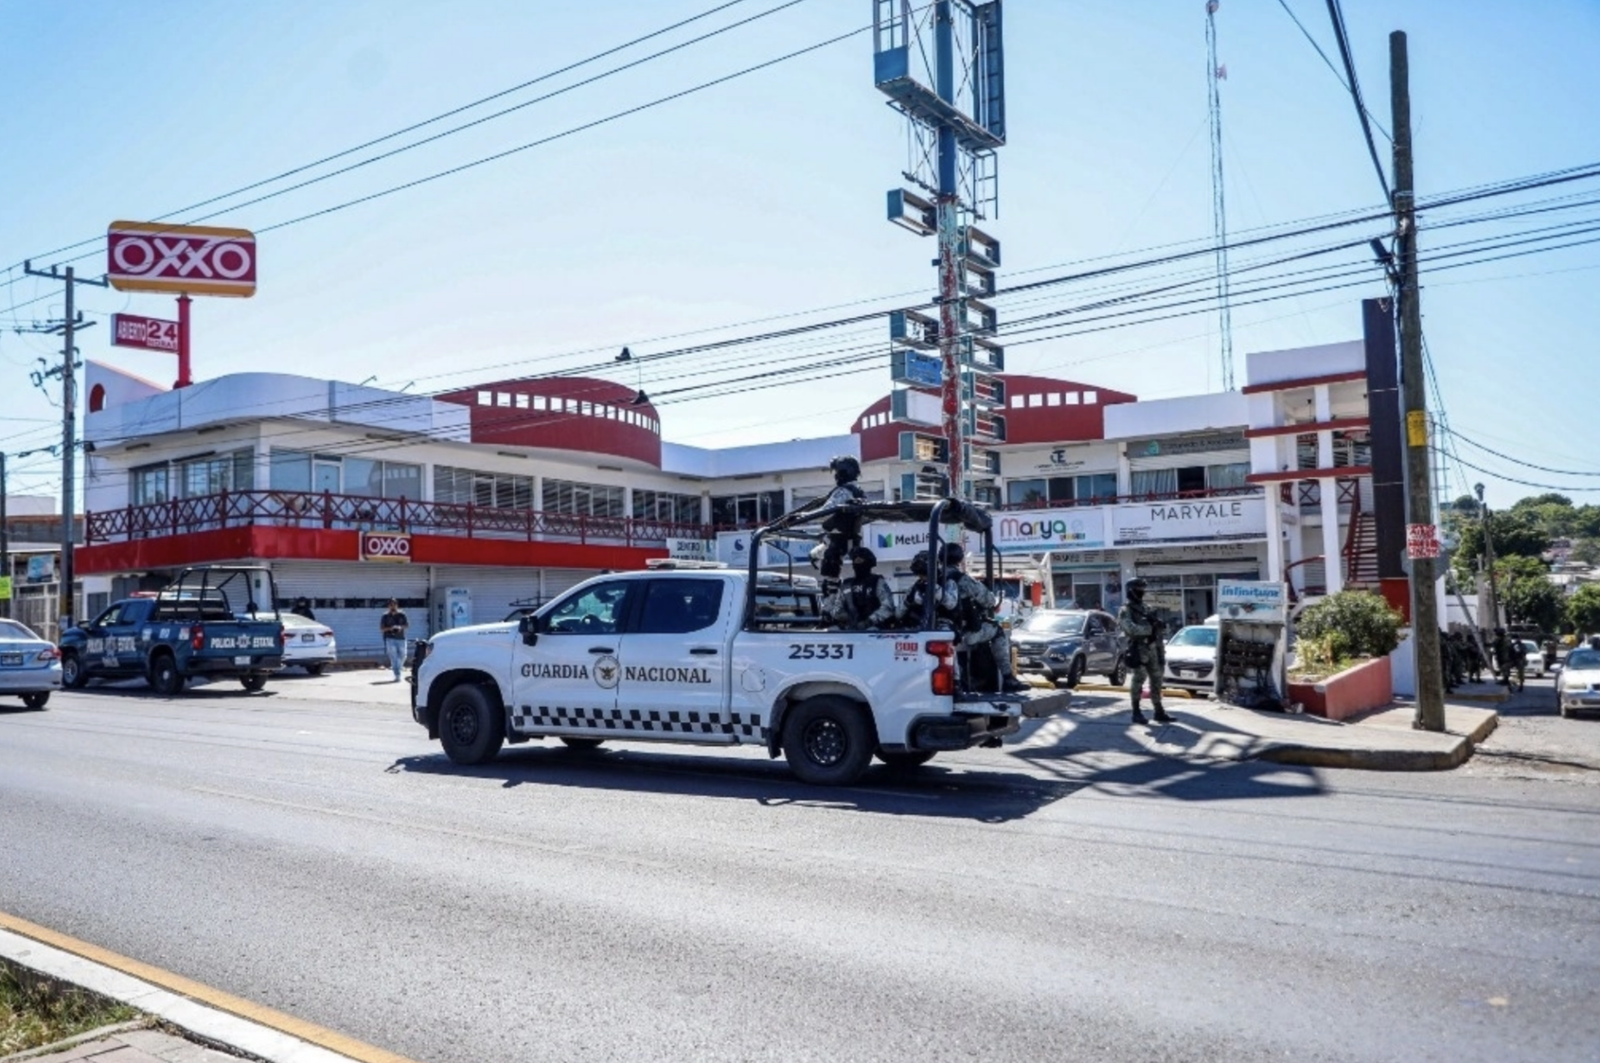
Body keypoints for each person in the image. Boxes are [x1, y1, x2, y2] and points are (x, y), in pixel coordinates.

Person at [943, 542, 1027, 695]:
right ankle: (1008, 678)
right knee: (998, 631)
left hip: (938, 630)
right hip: (963, 633)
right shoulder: (962, 579)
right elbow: (989, 601)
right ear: (960, 559)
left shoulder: (931, 579)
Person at [1117, 578, 1172, 725]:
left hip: (1152, 648)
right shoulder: (1125, 610)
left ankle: (1158, 711)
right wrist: (1150, 629)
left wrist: (1161, 650)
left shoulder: (1147, 608)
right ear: (1131, 591)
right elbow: (1130, 629)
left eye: (1142, 589)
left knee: (1157, 679)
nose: (1141, 592)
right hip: (1137, 649)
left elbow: (1158, 632)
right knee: (1138, 680)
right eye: (1138, 589)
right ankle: (1136, 712)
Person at [829, 546, 897, 630]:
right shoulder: (846, 584)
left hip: (874, 627)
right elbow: (837, 609)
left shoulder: (877, 582)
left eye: (860, 560)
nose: (857, 563)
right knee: (832, 630)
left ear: (868, 563)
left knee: (871, 631)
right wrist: (848, 617)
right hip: (851, 627)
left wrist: (869, 621)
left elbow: (888, 607)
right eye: (855, 560)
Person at [901, 549, 957, 629]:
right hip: (920, 625)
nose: (921, 577)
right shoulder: (917, 586)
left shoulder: (947, 582)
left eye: (923, 573)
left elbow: (951, 604)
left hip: (943, 624)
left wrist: (935, 589)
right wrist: (909, 600)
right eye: (919, 574)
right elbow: (899, 613)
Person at [380, 599, 409, 681]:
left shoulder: (402, 614)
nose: (393, 606)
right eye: (391, 605)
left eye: (394, 604)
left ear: (397, 605)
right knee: (393, 657)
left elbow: (407, 625)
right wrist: (391, 628)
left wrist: (400, 627)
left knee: (403, 655)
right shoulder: (385, 616)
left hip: (401, 638)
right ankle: (397, 674)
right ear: (388, 606)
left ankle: (398, 668)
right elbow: (382, 628)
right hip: (390, 638)